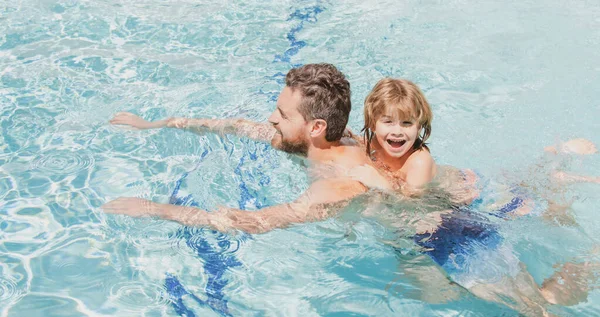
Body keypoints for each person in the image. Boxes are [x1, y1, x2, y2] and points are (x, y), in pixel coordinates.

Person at [102, 63, 373, 234]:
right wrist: (155, 124)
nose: (271, 118)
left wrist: (155, 209)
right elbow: (237, 126)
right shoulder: (321, 140)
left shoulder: (337, 184)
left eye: (283, 114)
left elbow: (251, 223)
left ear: (316, 128)